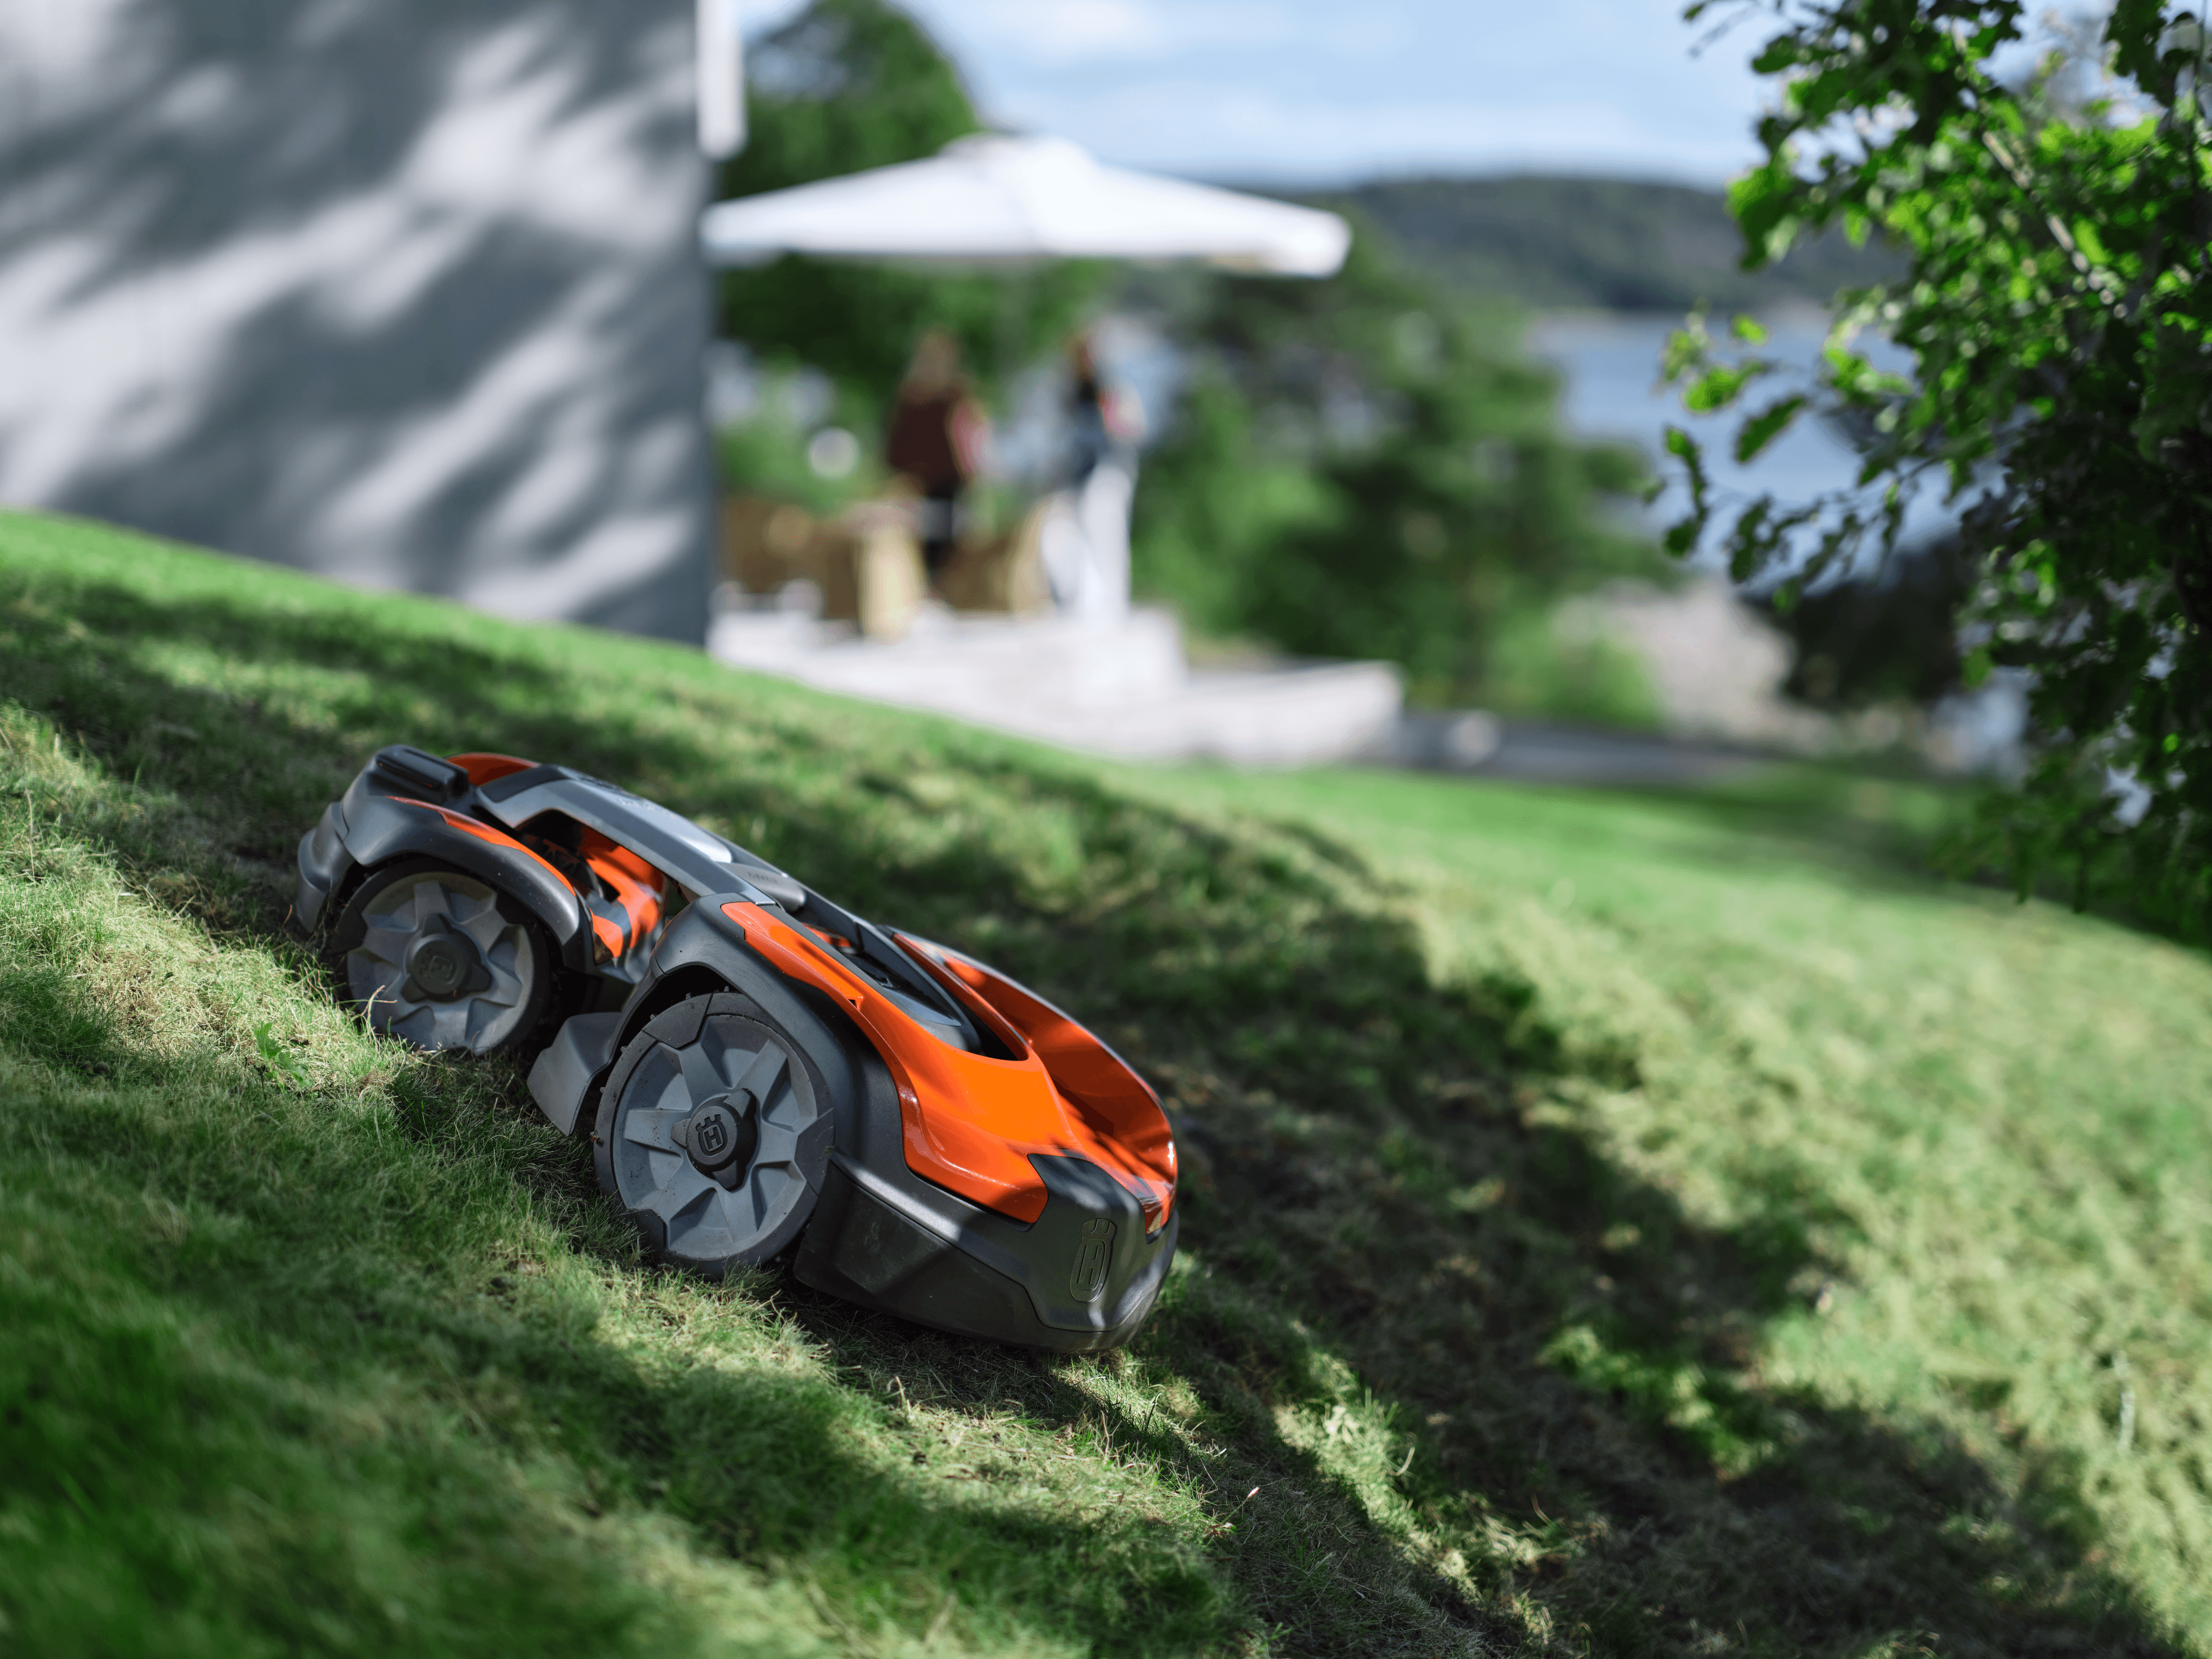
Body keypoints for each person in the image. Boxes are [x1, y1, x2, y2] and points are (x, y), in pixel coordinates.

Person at [1041, 332, 1146, 620]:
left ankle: (1112, 603)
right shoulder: (1071, 389)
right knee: (1065, 531)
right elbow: (1062, 435)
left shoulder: (1110, 387)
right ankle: (1077, 598)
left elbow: (1129, 429)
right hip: (1078, 473)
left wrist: (1112, 416)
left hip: (1108, 471)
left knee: (1105, 533)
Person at [884, 330, 989, 578]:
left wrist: (977, 464)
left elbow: (971, 429)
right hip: (918, 475)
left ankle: (946, 581)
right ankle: (925, 581)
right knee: (919, 530)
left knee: (951, 530)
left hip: (951, 472)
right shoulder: (911, 394)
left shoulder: (957, 391)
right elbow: (899, 435)